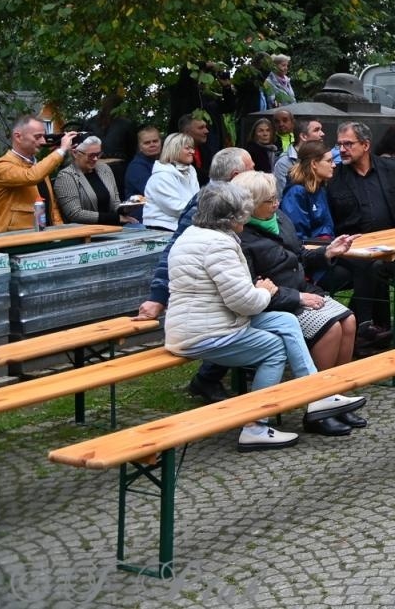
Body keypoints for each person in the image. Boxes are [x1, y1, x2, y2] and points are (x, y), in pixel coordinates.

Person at [163, 183, 364, 449]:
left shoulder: (194, 235)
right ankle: (255, 426)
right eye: (242, 214)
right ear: (231, 217)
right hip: (206, 332)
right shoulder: (219, 245)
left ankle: (318, 394)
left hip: (211, 320)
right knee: (274, 349)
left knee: (286, 321)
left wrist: (262, 291)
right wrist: (266, 292)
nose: (245, 219)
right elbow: (245, 302)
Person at [232, 172, 361, 411]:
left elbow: (299, 255)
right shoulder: (242, 237)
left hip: (301, 290)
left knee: (350, 320)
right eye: (269, 201)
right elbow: (252, 288)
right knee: (330, 329)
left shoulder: (279, 218)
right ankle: (319, 402)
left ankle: (337, 394)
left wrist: (327, 253)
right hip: (275, 303)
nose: (276, 204)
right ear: (249, 205)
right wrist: (297, 297)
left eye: (275, 198)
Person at [136, 147, 255, 402]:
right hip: (210, 296)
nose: (256, 172)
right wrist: (158, 296)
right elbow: (176, 247)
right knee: (247, 315)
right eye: (252, 168)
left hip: (236, 279)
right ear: (236, 175)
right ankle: (210, 380)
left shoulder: (237, 197)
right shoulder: (208, 202)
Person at [326, 121, 395, 341]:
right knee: (377, 265)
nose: (342, 150)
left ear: (365, 145)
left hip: (394, 241)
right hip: (354, 248)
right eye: (339, 145)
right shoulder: (335, 179)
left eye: (348, 144)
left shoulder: (392, 168)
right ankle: (369, 327)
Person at [0, 117, 78, 231]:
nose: (43, 141)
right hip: (11, 240)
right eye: (37, 137)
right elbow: (31, 176)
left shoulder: (39, 166)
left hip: (42, 237)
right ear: (18, 137)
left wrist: (60, 231)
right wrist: (61, 151)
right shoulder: (1, 166)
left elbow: (51, 206)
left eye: (44, 136)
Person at [52, 136, 135, 225]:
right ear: (75, 153)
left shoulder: (104, 169)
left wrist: (125, 209)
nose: (95, 159)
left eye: (98, 154)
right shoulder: (66, 176)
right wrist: (116, 218)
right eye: (91, 155)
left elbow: (114, 203)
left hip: (111, 227)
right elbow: (75, 214)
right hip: (85, 232)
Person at [280, 139, 337, 243]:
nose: (334, 165)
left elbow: (326, 225)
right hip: (310, 253)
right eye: (329, 161)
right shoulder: (296, 193)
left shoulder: (320, 188)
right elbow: (298, 236)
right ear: (314, 164)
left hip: (326, 248)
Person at [143, 132, 202, 231]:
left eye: (192, 148)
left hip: (186, 224)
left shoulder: (190, 171)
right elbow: (175, 208)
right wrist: (207, 211)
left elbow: (197, 199)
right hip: (163, 228)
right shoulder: (161, 176)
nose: (192, 151)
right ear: (175, 149)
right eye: (187, 148)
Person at [272, 118, 326, 195]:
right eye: (316, 130)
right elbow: (283, 196)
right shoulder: (284, 163)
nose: (322, 133)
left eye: (321, 129)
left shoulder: (323, 157)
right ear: (304, 136)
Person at [124, 125, 161, 198]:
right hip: (142, 207)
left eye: (155, 141)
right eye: (147, 143)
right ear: (140, 147)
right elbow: (154, 192)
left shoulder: (163, 161)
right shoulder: (136, 167)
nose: (152, 145)